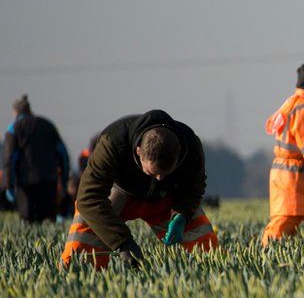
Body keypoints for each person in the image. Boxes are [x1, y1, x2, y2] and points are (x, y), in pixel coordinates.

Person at [60, 110, 219, 269]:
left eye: (166, 172)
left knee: (208, 252)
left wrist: (182, 215)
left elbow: (194, 186)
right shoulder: (113, 143)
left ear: (178, 153)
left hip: (167, 198)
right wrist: (122, 242)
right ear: (138, 151)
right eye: (153, 172)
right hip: (118, 195)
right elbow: (88, 198)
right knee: (78, 259)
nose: (159, 179)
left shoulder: (190, 145)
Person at [261, 64, 304, 245]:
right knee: (285, 224)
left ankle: (266, 254)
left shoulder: (291, 103)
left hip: (291, 179)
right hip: (297, 181)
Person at [1, 94, 70, 222]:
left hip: (26, 183)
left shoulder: (14, 128)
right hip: (49, 181)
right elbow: (63, 154)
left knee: (28, 222)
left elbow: (9, 159)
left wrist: (8, 186)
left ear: (15, 112)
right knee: (48, 221)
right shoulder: (47, 125)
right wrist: (64, 181)